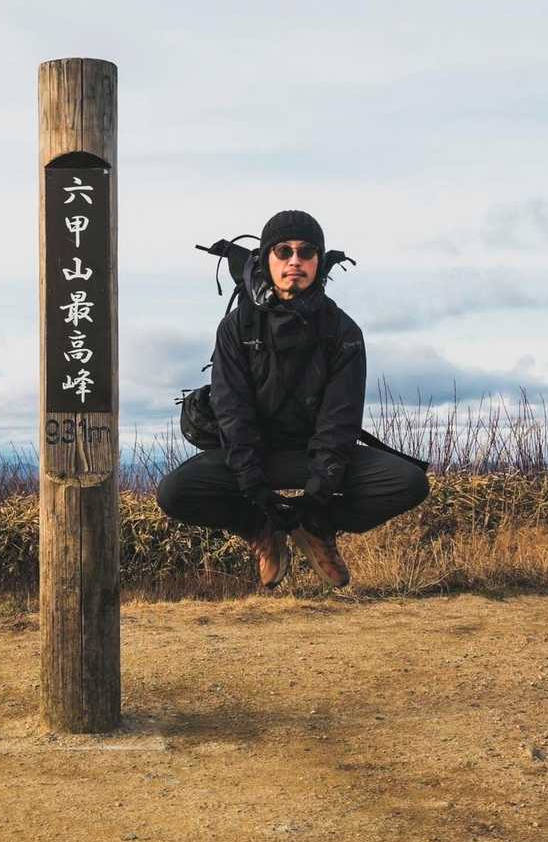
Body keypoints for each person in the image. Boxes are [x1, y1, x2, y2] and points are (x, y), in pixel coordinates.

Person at [155, 210, 430, 589]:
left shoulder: (342, 330)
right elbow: (233, 414)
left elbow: (339, 421)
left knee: (408, 482)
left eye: (306, 251)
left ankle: (317, 529)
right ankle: (261, 530)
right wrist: (255, 492)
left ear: (319, 260)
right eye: (283, 251)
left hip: (317, 457)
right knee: (175, 492)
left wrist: (317, 499)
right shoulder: (236, 328)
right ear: (267, 259)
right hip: (255, 457)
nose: (295, 261)